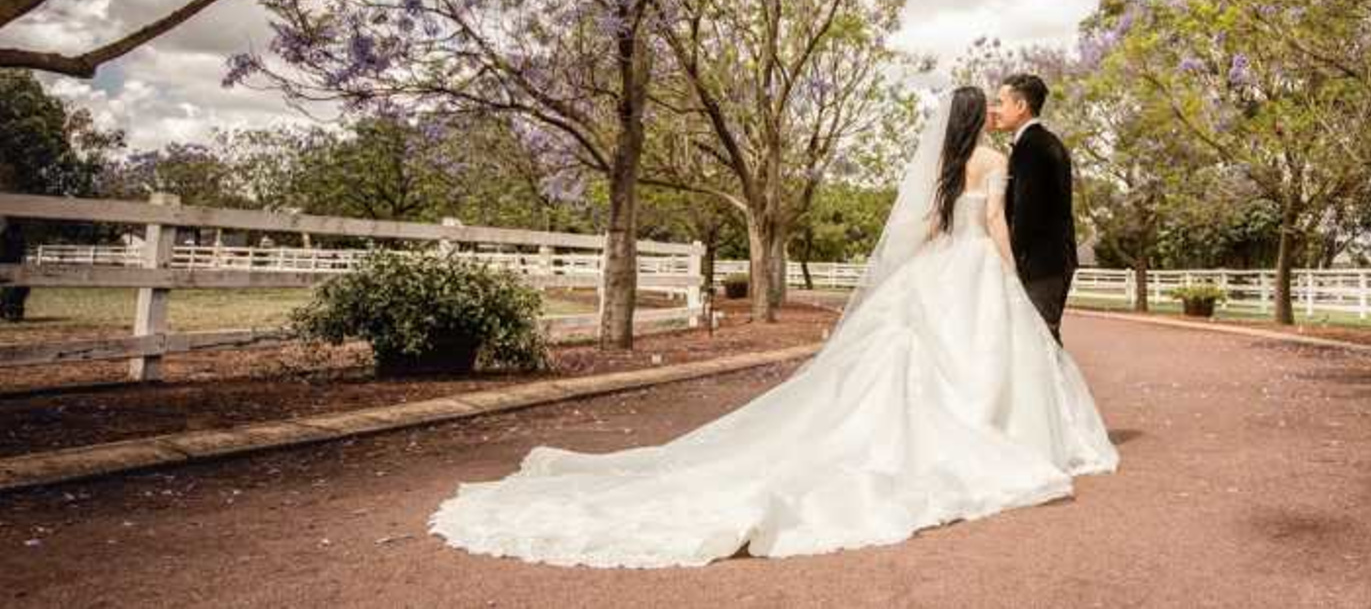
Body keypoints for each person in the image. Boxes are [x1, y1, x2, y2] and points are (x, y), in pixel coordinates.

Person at [430, 86, 1118, 568]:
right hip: (973, 270)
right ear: (982, 122)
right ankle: (992, 435)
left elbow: (933, 227)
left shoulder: (944, 167)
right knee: (985, 359)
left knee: (917, 359)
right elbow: (995, 224)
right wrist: (1006, 273)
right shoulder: (993, 163)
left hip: (936, 269)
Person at [989, 72, 1078, 344]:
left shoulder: (1032, 148)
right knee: (1038, 343)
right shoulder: (1044, 142)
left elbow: (1026, 215)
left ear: (1020, 106)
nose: (996, 110)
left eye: (1000, 102)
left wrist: (1010, 262)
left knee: (1040, 344)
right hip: (1051, 262)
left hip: (1040, 266)